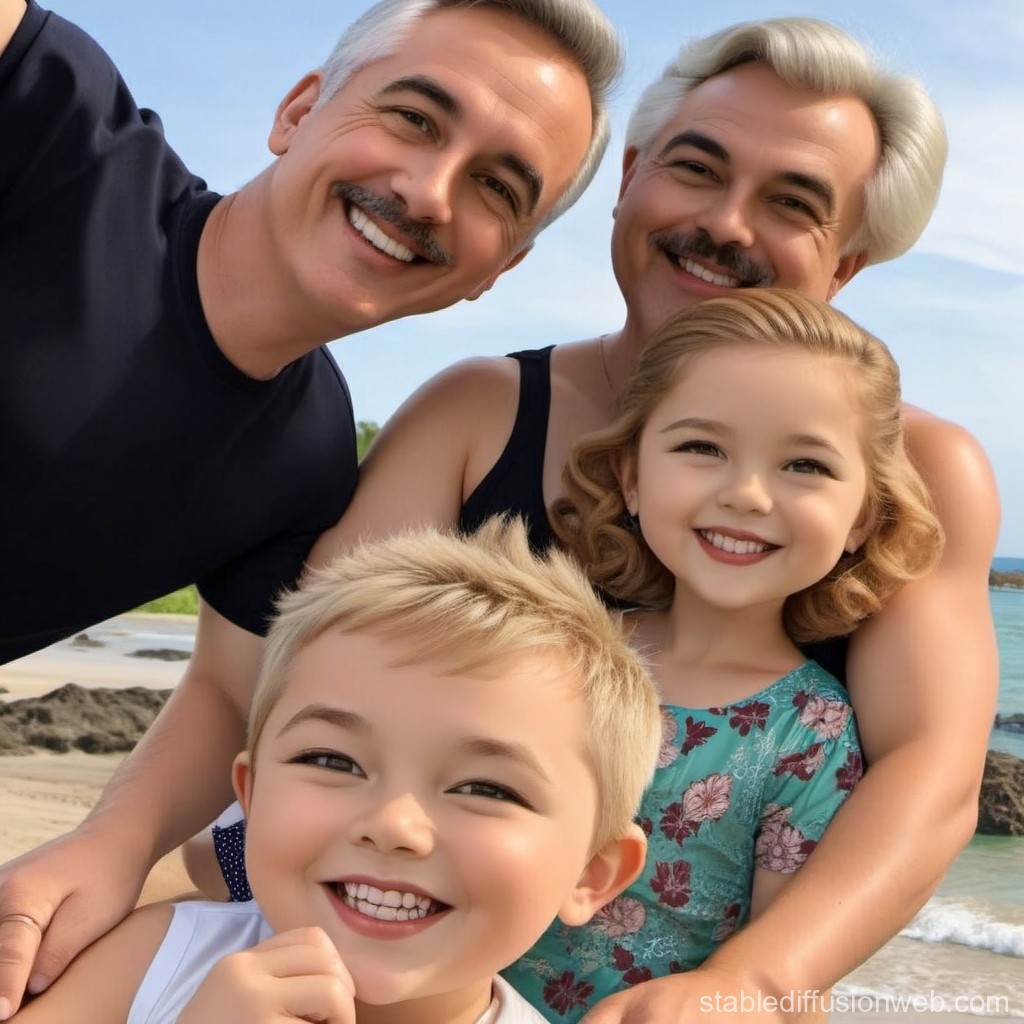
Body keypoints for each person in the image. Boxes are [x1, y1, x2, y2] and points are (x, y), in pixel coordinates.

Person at [297, 16, 1001, 1022]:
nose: (724, 223)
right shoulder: (478, 413)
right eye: (695, 168)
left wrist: (748, 985)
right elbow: (303, 681)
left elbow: (930, 771)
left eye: (791, 202)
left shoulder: (921, 469)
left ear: (845, 263)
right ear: (625, 177)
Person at [0, 0, 621, 1013]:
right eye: (414, 116)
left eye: (494, 187)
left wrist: (109, 847)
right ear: (296, 111)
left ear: (495, 269)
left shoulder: (309, 460)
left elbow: (225, 688)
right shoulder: (52, 110)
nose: (425, 189)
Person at [9, 518, 663, 1024]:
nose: (392, 824)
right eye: (332, 760)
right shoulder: (158, 956)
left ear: (592, 872)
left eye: (486, 788)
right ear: (252, 796)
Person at [503, 288, 943, 1020]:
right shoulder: (549, 648)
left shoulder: (811, 731)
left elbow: (796, 984)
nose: (745, 494)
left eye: (804, 465)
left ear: (863, 514)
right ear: (631, 476)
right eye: (702, 448)